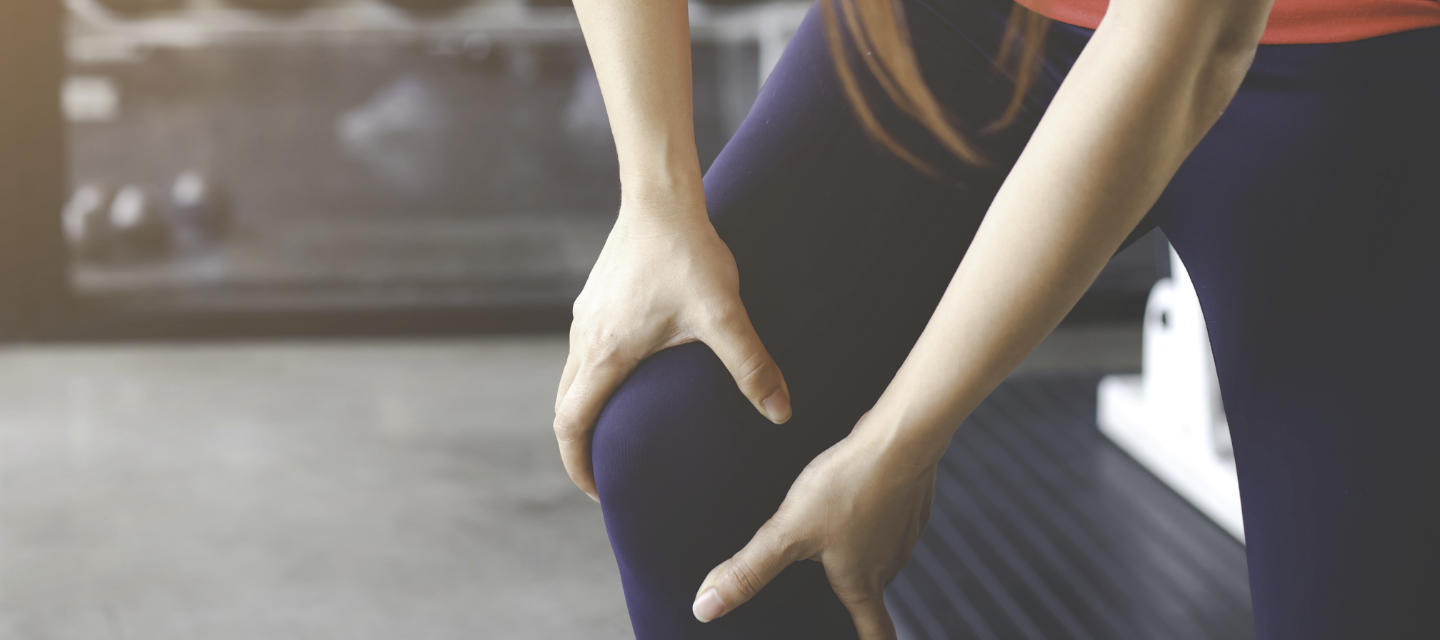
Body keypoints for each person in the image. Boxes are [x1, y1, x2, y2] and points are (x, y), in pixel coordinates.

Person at [549, 0, 1440, 636]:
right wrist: (654, 200)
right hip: (974, 21)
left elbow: (1184, 39)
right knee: (677, 439)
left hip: (1352, 51)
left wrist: (900, 436)